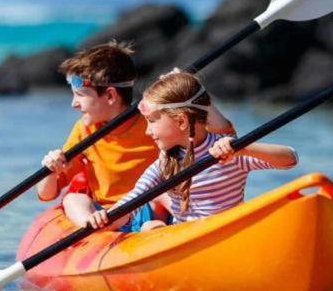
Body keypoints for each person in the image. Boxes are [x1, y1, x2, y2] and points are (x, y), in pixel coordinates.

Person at [37, 43, 233, 231]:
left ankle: (156, 232)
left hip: (151, 210)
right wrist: (51, 170)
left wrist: (193, 93)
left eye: (80, 95)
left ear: (111, 96)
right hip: (107, 215)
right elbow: (47, 194)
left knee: (163, 194)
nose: (74, 104)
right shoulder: (84, 130)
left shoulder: (153, 123)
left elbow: (224, 138)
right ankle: (92, 231)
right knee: (72, 199)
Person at [86, 71, 297, 232]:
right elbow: (135, 198)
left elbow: (290, 159)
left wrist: (242, 147)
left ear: (181, 121)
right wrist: (105, 216)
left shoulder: (229, 151)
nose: (148, 131)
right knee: (150, 228)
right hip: (185, 236)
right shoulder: (165, 162)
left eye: (151, 122)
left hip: (227, 233)